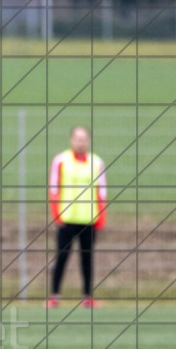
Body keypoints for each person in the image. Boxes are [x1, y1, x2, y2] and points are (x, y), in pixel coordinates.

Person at [47, 126, 107, 308]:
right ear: (71, 140)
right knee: (62, 257)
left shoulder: (96, 162)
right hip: (67, 219)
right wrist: (56, 214)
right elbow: (53, 188)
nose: (80, 142)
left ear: (87, 141)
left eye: (83, 139)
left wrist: (101, 217)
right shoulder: (61, 160)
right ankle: (54, 296)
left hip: (88, 219)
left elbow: (102, 191)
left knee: (87, 259)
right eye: (77, 138)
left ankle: (87, 296)